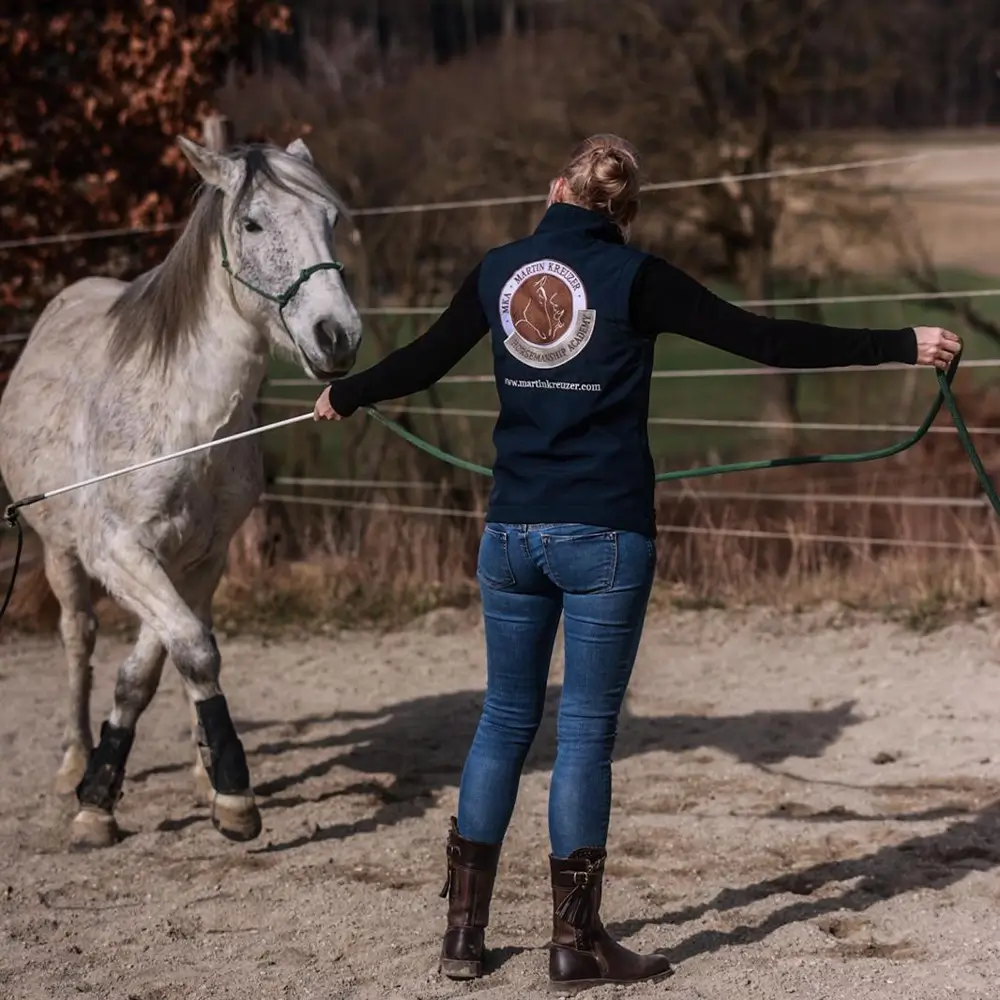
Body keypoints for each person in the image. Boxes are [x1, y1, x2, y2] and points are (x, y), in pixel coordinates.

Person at [313, 134, 961, 992]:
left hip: (511, 535)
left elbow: (425, 361)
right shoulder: (637, 277)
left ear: (557, 188)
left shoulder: (500, 270)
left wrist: (348, 392)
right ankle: (574, 944)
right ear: (624, 213)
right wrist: (901, 342)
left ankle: (463, 937)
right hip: (604, 537)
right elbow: (765, 340)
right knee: (583, 734)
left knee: (502, 721)